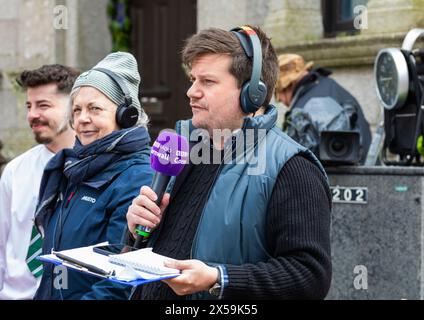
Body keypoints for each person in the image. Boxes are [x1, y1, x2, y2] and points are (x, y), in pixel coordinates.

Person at [125, 26, 332, 300]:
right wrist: (135, 231)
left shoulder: (292, 168)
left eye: (207, 82)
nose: (191, 92)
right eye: (192, 79)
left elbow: (310, 276)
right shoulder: (182, 151)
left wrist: (219, 278)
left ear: (252, 93)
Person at [33, 52, 153, 300]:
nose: (82, 119)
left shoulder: (139, 177)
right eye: (76, 110)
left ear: (126, 115)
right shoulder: (71, 170)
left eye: (94, 109)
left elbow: (121, 277)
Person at [0, 65, 79, 300]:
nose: (32, 115)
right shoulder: (16, 171)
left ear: (74, 106)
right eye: (29, 106)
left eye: (43, 105)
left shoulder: (95, 170)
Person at [276, 53, 372, 164]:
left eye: (278, 93)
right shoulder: (330, 85)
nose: (280, 100)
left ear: (289, 84)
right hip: (366, 168)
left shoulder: (302, 110)